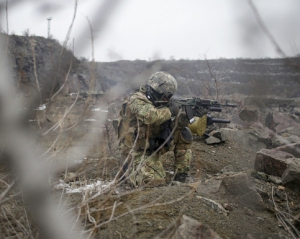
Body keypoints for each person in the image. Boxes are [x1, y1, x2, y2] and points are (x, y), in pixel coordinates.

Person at [114, 71, 206, 187]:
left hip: (153, 143)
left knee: (183, 132)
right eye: (167, 96)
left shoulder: (160, 101)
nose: (168, 99)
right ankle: (127, 170)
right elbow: (151, 116)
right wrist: (171, 110)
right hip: (136, 151)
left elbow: (173, 126)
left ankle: (181, 175)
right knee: (153, 184)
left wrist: (189, 116)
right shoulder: (136, 99)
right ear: (159, 91)